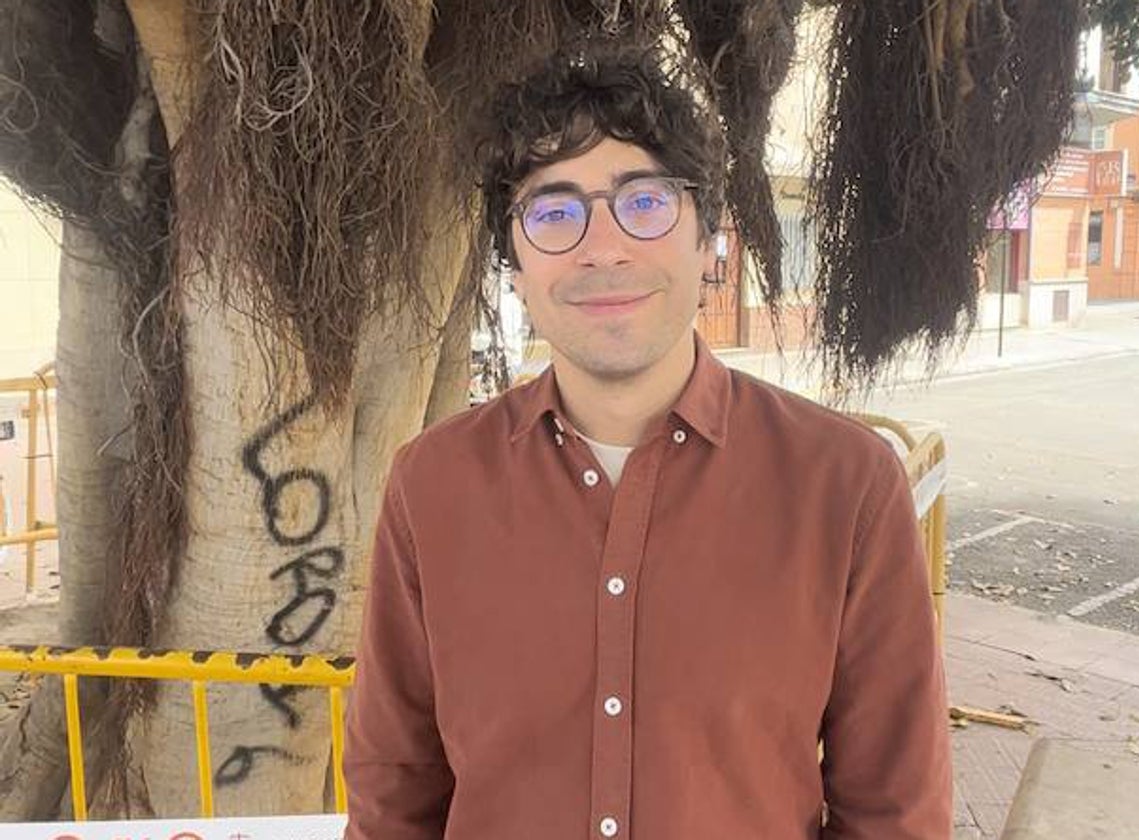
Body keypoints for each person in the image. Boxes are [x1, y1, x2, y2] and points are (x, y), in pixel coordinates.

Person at [343, 40, 951, 840]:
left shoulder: (845, 485)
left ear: (709, 243)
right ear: (514, 264)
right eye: (554, 211)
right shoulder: (434, 483)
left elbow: (894, 812)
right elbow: (396, 791)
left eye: (645, 201)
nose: (604, 247)